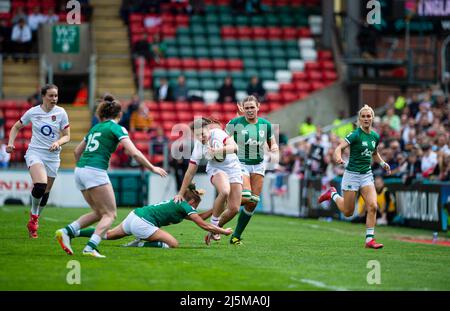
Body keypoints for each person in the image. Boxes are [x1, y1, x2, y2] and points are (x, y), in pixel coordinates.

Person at [55, 94, 167, 258]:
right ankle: (90, 247)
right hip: (95, 170)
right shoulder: (117, 128)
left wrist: (84, 167)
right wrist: (152, 167)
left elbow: (76, 151)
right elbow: (134, 153)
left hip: (80, 170)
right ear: (119, 115)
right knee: (110, 214)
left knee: (99, 212)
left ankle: (66, 232)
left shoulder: (95, 128)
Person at [318, 105, 391, 249]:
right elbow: (339, 148)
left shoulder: (375, 136)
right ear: (359, 119)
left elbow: (374, 153)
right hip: (352, 175)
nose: (366, 119)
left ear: (372, 118)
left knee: (373, 206)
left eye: (368, 116)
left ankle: (369, 240)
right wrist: (338, 158)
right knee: (347, 212)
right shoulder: (355, 134)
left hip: (366, 175)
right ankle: (332, 193)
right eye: (363, 116)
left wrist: (383, 164)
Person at [72, 183, 232, 249]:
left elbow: (200, 218)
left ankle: (75, 232)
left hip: (134, 215)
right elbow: (203, 225)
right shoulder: (184, 204)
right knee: (172, 244)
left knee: (107, 235)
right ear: (191, 200)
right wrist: (222, 231)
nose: (195, 209)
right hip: (143, 223)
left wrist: (214, 209)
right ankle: (139, 244)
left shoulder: (180, 205)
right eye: (195, 206)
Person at [6, 84, 70, 238]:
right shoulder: (33, 112)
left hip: (53, 156)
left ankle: (34, 220)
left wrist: (58, 143)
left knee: (46, 191)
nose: (54, 99)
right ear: (43, 96)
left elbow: (67, 135)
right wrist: (10, 143)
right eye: (51, 96)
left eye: (56, 96)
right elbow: (15, 127)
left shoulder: (61, 112)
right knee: (40, 185)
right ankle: (34, 218)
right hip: (35, 153)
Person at [174, 117, 242, 245]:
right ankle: (214, 225)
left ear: (208, 130)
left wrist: (217, 151)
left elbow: (235, 148)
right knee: (225, 191)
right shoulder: (199, 147)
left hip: (233, 169)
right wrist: (180, 193)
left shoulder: (219, 134)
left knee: (234, 208)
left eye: (202, 134)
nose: (201, 138)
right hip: (216, 169)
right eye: (197, 136)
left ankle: (213, 230)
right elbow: (190, 172)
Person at [225, 95, 279, 245]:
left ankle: (235, 236)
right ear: (243, 108)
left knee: (253, 202)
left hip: (259, 164)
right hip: (240, 163)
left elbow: (272, 143)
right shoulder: (235, 123)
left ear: (258, 107)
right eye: (247, 108)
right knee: (248, 195)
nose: (250, 110)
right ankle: (219, 218)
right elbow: (223, 138)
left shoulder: (265, 125)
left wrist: (274, 147)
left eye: (252, 107)